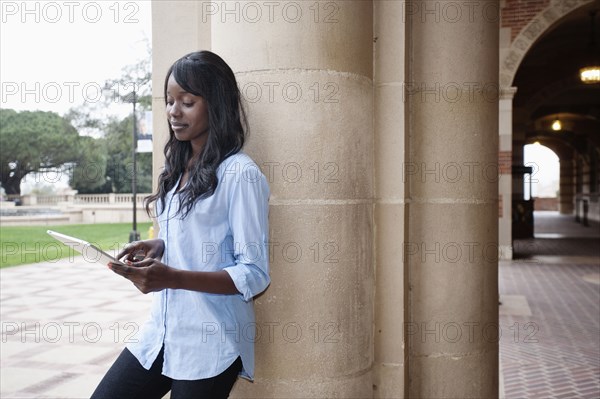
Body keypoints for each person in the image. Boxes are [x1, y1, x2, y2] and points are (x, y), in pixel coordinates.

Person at [91, 51, 270, 399]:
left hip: (211, 339)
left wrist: (172, 277)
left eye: (187, 102)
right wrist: (159, 245)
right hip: (162, 330)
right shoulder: (176, 167)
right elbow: (195, 236)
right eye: (170, 101)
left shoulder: (240, 174)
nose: (174, 111)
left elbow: (254, 273)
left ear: (215, 105)